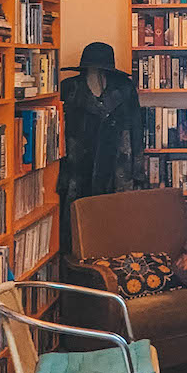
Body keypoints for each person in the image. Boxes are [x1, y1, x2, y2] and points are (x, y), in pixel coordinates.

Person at [59, 41, 146, 255]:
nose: (96, 73)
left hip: (118, 168)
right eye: (92, 68)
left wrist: (137, 172)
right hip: (78, 169)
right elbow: (58, 132)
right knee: (78, 232)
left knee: (115, 230)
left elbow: (136, 129)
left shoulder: (124, 89)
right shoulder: (70, 89)